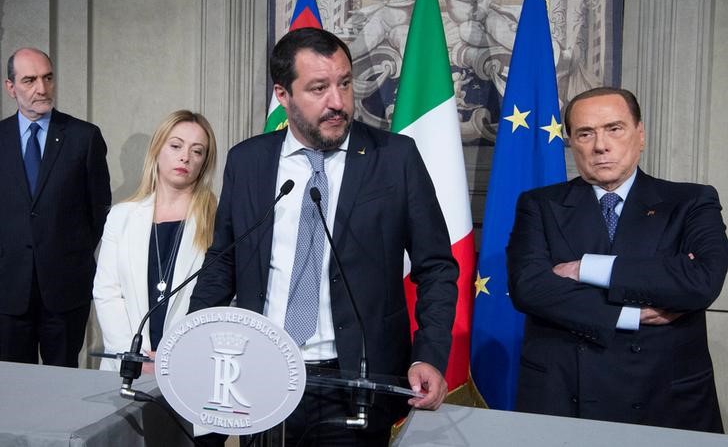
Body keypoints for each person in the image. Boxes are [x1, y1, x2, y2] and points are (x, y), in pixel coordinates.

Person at [188, 27, 458, 446]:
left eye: (345, 83)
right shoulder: (249, 161)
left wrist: (429, 355)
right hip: (262, 373)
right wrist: (190, 344)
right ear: (283, 95)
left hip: (356, 381)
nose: (338, 102)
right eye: (319, 88)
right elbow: (223, 261)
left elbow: (436, 267)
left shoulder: (395, 159)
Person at [507, 86, 728, 432]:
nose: (600, 145)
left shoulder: (691, 201)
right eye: (585, 133)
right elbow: (530, 287)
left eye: (614, 128)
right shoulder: (539, 205)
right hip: (566, 398)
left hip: (665, 401)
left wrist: (586, 268)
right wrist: (630, 313)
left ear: (640, 135)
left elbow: (700, 281)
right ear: (571, 143)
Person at [0, 47, 111, 367]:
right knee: (11, 389)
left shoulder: (83, 137)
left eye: (47, 78)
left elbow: (100, 209)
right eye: (30, 80)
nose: (42, 89)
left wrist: (69, 252)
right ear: (11, 87)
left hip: (65, 291)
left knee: (63, 385)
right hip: (8, 291)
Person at [93, 110, 217, 373]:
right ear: (157, 150)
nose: (185, 157)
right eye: (176, 146)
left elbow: (221, 302)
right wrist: (134, 356)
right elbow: (107, 293)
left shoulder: (215, 222)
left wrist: (177, 355)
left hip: (189, 367)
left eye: (197, 151)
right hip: (125, 365)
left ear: (204, 163)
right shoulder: (122, 216)